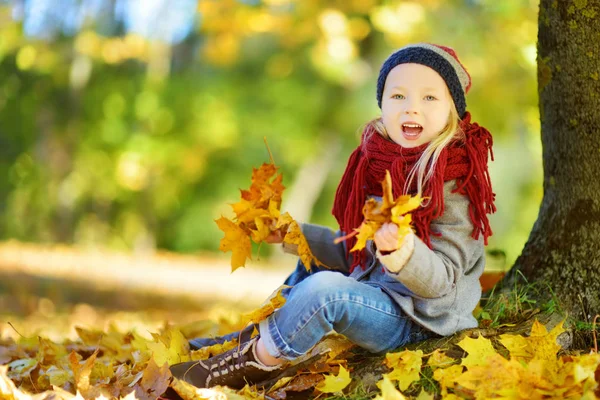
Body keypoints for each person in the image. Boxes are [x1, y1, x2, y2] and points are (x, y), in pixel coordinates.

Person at [169, 43, 496, 390]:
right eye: (398, 96)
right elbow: (356, 254)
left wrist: (405, 254)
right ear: (382, 104)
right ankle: (246, 340)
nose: (412, 108)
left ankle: (259, 360)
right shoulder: (378, 166)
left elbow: (443, 281)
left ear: (452, 111)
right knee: (311, 267)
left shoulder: (457, 182)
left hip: (417, 320)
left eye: (430, 98)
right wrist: (295, 235)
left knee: (327, 290)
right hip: (376, 293)